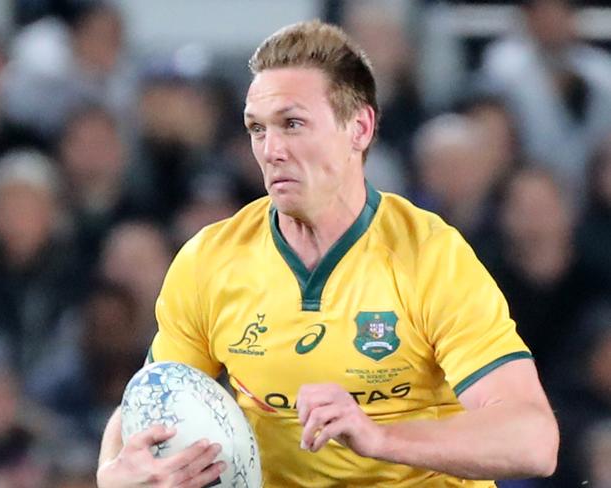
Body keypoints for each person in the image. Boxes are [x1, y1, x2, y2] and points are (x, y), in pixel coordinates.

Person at [96, 20, 559, 487]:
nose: (271, 150)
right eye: (257, 129)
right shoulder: (211, 260)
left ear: (359, 127)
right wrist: (114, 472)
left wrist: (379, 436)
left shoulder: (430, 257)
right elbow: (151, 397)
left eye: (292, 124)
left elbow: (532, 439)